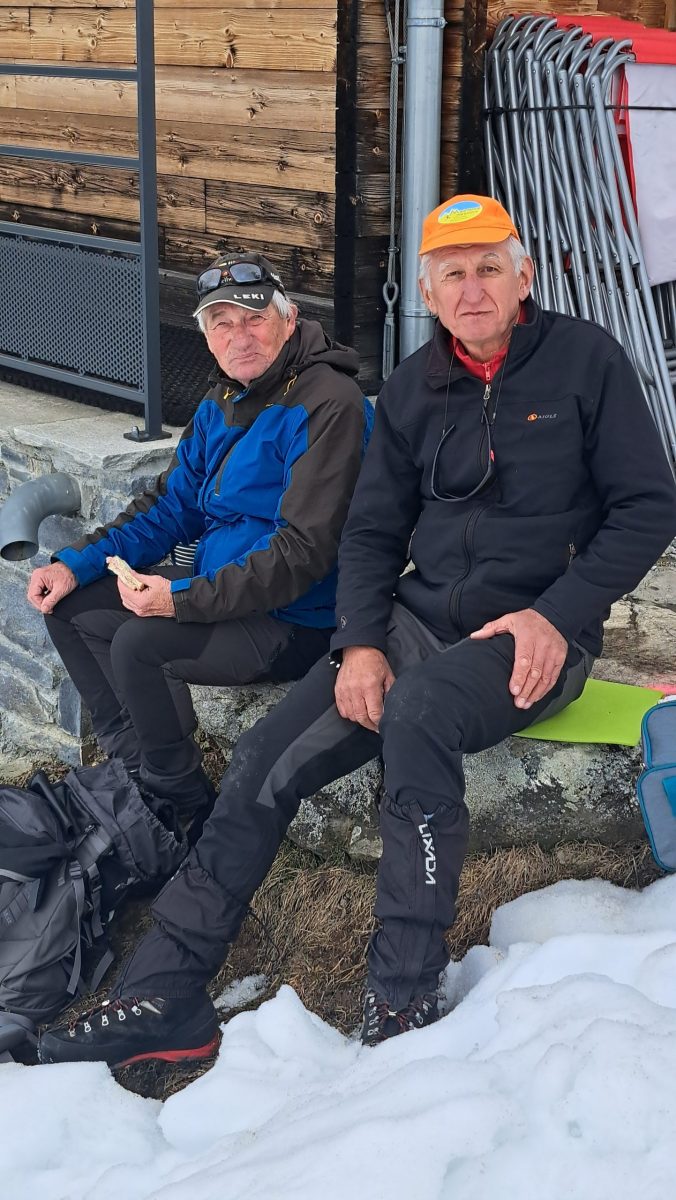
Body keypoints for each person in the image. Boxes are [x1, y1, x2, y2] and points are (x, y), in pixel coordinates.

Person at [39, 195, 676, 1068]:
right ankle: (165, 994)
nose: (473, 288)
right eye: (453, 273)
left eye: (489, 267)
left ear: (524, 276)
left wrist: (558, 615)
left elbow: (648, 507)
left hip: (535, 634)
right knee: (263, 760)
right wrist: (362, 642)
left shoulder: (586, 361)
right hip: (419, 616)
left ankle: (401, 995)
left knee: (418, 712)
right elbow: (372, 533)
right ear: (428, 291)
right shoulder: (413, 386)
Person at [28, 252, 373, 825]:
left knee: (139, 644)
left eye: (254, 318)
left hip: (297, 617)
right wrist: (76, 563)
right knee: (70, 608)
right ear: (207, 338)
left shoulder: (329, 404)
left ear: (289, 320)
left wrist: (181, 600)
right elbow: (172, 508)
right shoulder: (224, 399)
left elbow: (302, 554)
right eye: (222, 323)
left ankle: (180, 807)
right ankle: (134, 777)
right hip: (221, 588)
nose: (240, 336)